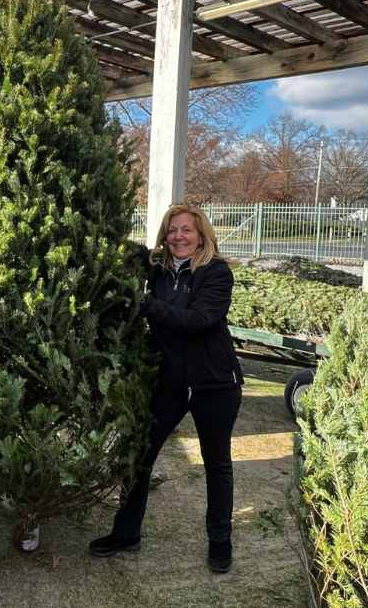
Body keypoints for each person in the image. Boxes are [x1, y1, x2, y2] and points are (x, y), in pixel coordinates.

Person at [89, 203, 243, 573]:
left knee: (216, 463)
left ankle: (220, 541)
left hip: (215, 385)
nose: (179, 236)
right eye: (172, 230)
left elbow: (200, 320)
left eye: (186, 230)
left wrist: (145, 306)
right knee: (140, 454)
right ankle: (126, 533)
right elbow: (123, 255)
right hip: (170, 383)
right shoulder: (158, 271)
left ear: (201, 234)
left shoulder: (216, 273)